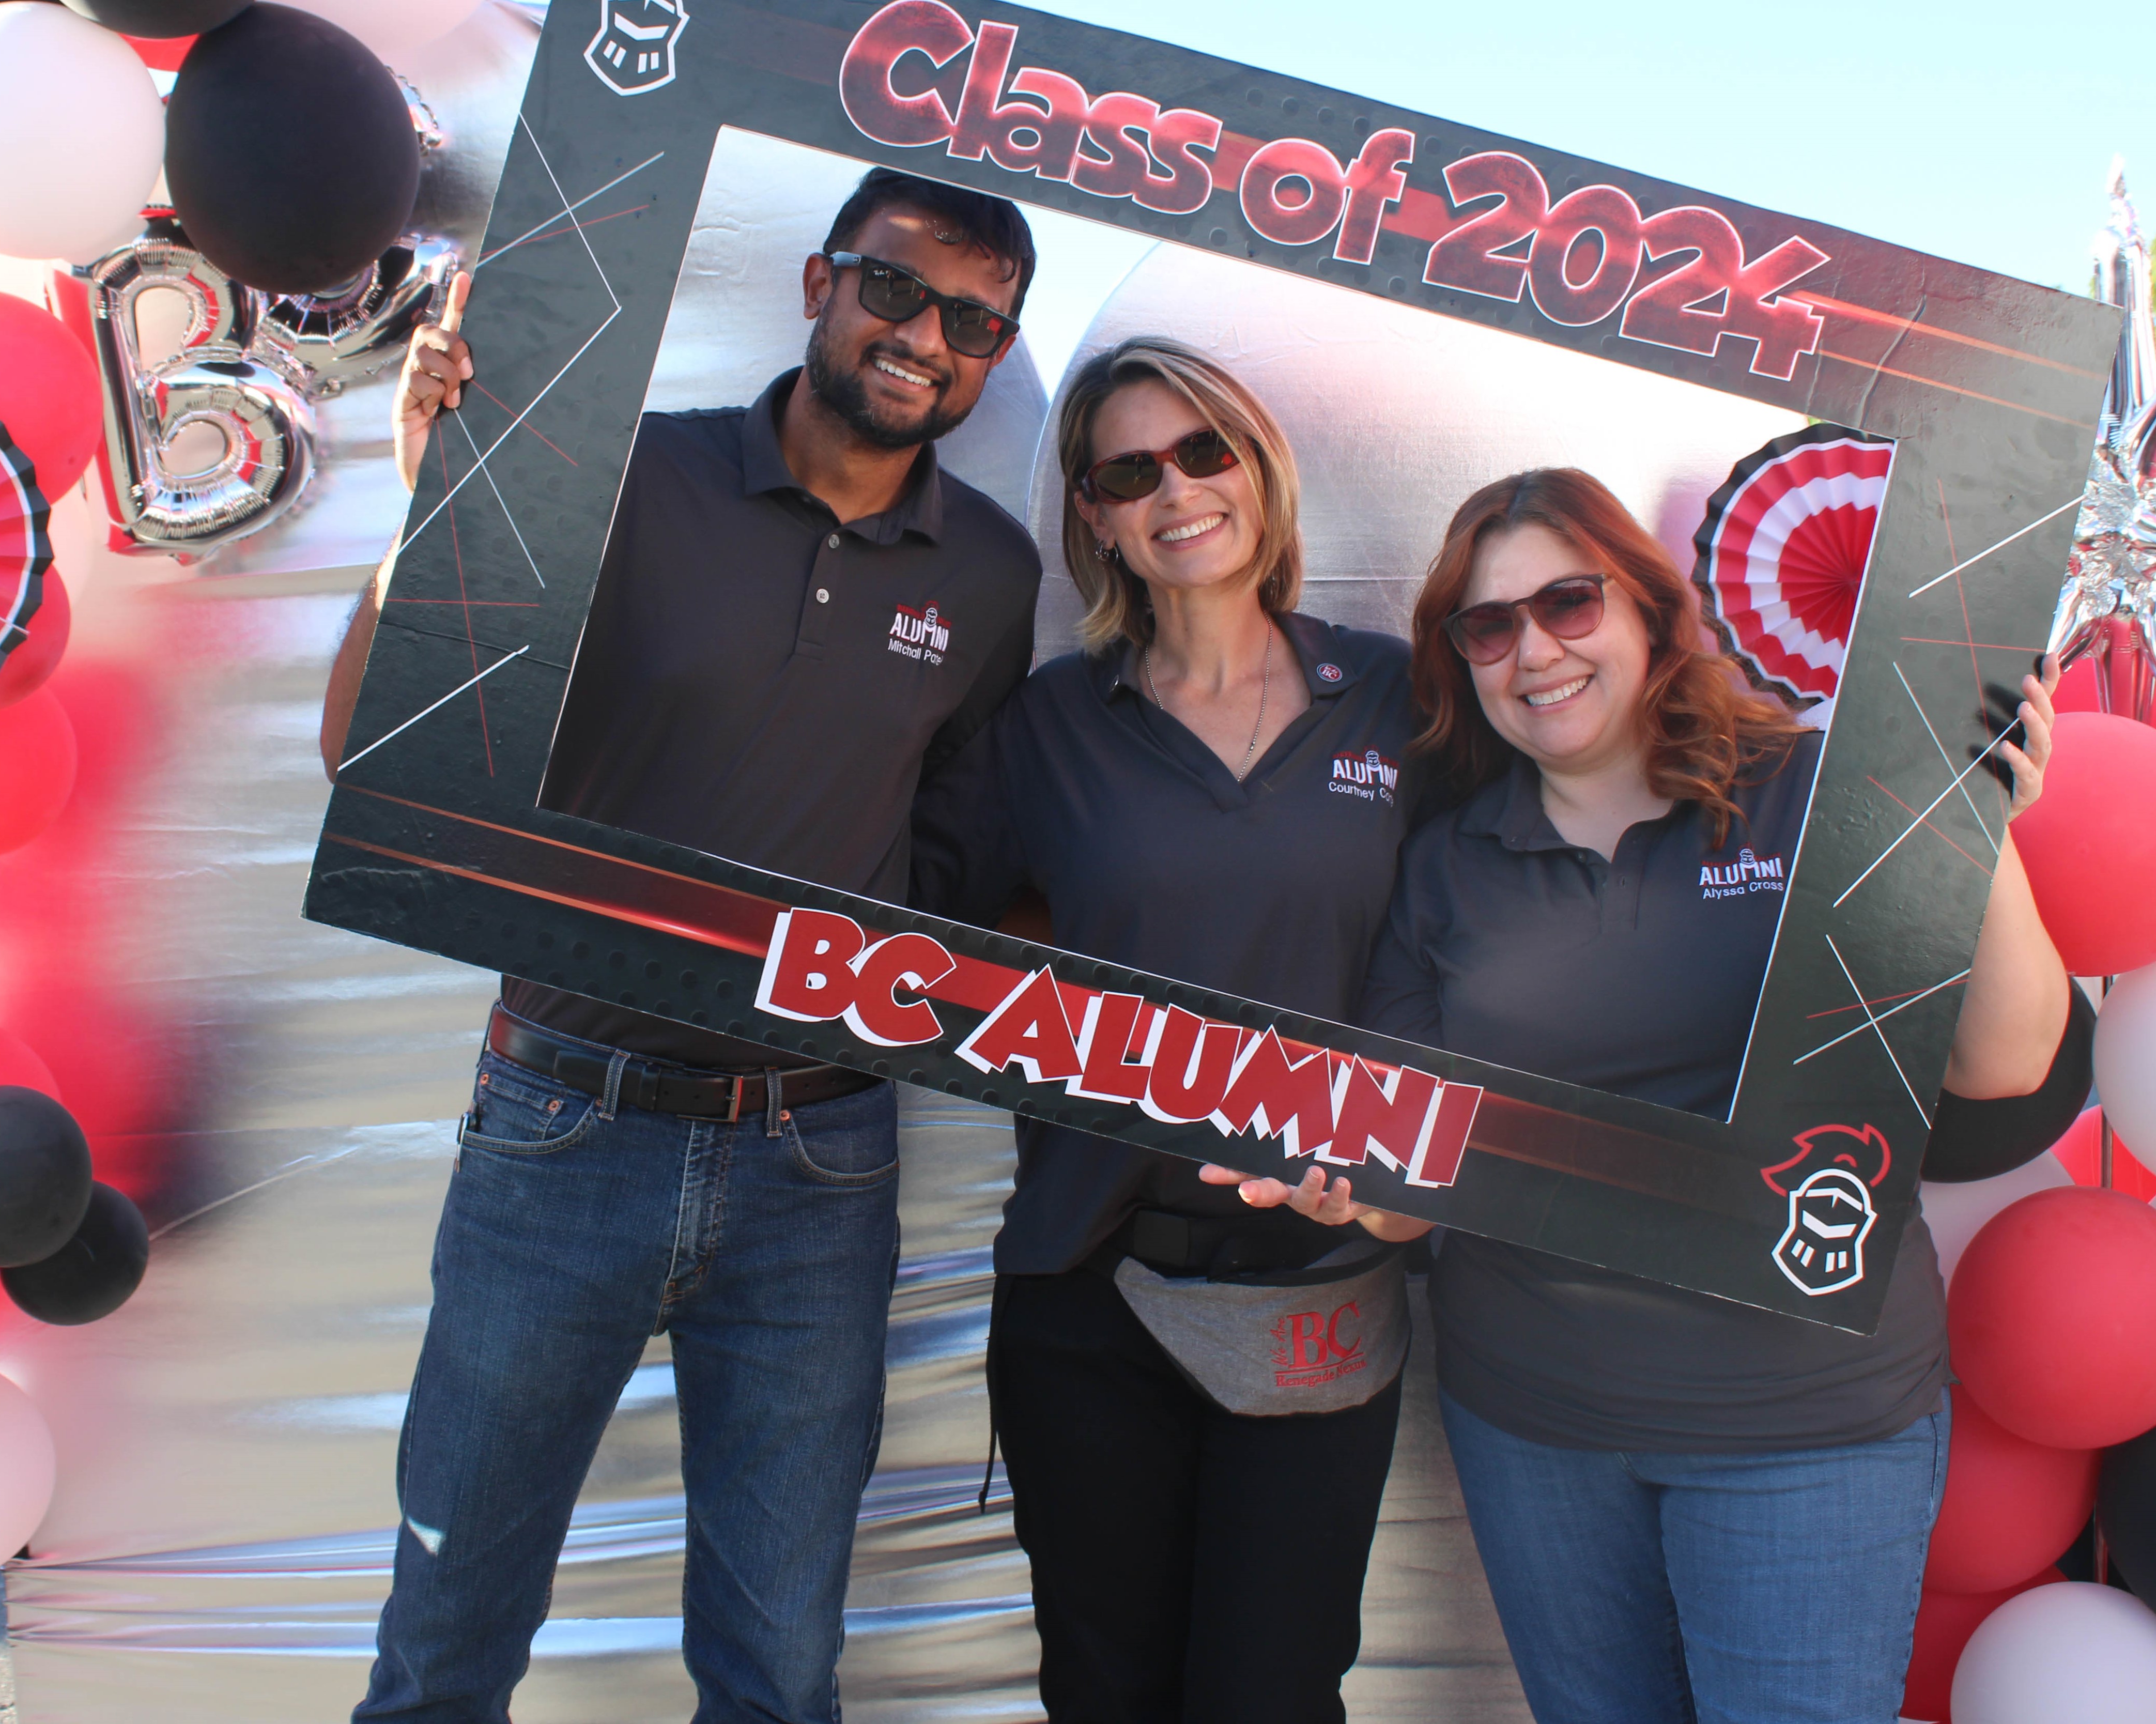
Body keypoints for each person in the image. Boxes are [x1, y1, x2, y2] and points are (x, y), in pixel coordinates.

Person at [328, 170, 1046, 1724]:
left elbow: (957, 874)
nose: (929, 335)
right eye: (898, 289)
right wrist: (435, 506)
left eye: (976, 320)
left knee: (781, 1669)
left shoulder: (994, 579)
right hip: (561, 1123)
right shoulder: (618, 475)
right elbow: (376, 762)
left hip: (823, 1158)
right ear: (819, 283)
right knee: (447, 1635)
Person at [1214, 467, 2066, 1724]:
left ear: (1652, 612)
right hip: (1539, 1430)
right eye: (1488, 626)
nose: (1534, 650)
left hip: (1804, 1428)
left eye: (1568, 601)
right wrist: (1337, 1182)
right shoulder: (1448, 864)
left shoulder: (1818, 788)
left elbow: (2003, 1059)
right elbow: (1410, 1186)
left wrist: (1969, 822)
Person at [912, 338, 1420, 1724]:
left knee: (1271, 1697)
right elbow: (888, 928)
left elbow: (1484, 935)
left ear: (1261, 469)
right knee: (1105, 1697)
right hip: (1092, 1301)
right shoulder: (1044, 726)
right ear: (1094, 514)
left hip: (1317, 1289)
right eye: (1131, 471)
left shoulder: (1396, 697)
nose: (1176, 491)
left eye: (1206, 452)